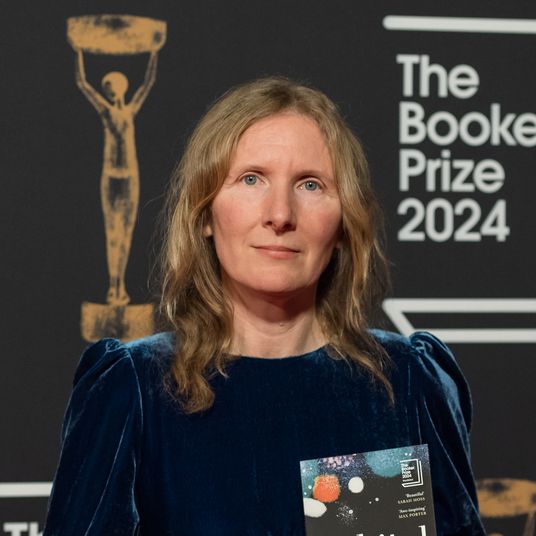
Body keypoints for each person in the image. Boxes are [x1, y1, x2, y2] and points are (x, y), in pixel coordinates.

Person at [44, 77, 485, 535]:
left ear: (342, 224)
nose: (280, 214)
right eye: (251, 179)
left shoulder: (405, 381)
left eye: (310, 184)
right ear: (205, 213)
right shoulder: (135, 390)